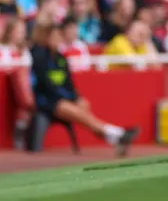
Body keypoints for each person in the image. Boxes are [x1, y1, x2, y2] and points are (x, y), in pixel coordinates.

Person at [30, 20, 140, 156]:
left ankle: (114, 136)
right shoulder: (39, 56)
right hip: (46, 102)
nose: (58, 40)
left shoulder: (61, 59)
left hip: (63, 100)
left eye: (59, 37)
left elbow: (69, 84)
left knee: (83, 106)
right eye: (55, 37)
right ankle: (117, 134)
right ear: (46, 38)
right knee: (72, 109)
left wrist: (77, 98)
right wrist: (69, 100)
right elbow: (46, 85)